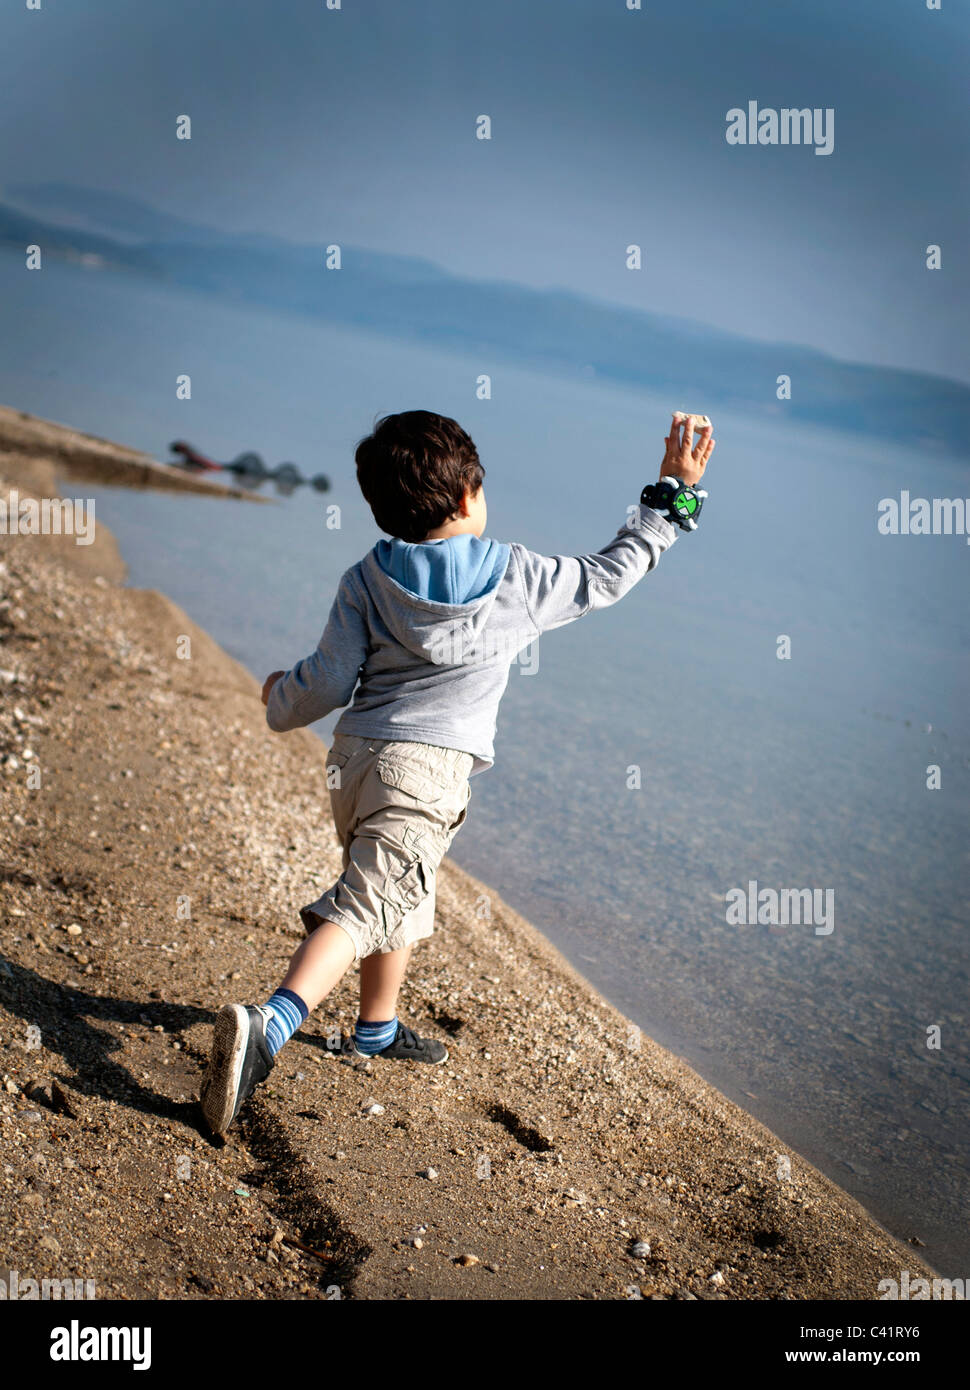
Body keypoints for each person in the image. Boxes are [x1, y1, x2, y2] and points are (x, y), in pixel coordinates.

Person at [200, 409, 714, 1134]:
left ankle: (376, 1027)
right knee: (364, 905)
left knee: (398, 887)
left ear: (384, 509)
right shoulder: (519, 576)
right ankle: (273, 1023)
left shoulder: (367, 577)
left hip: (353, 764)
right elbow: (611, 574)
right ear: (471, 493)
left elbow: (324, 681)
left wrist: (277, 696)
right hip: (429, 772)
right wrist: (673, 495)